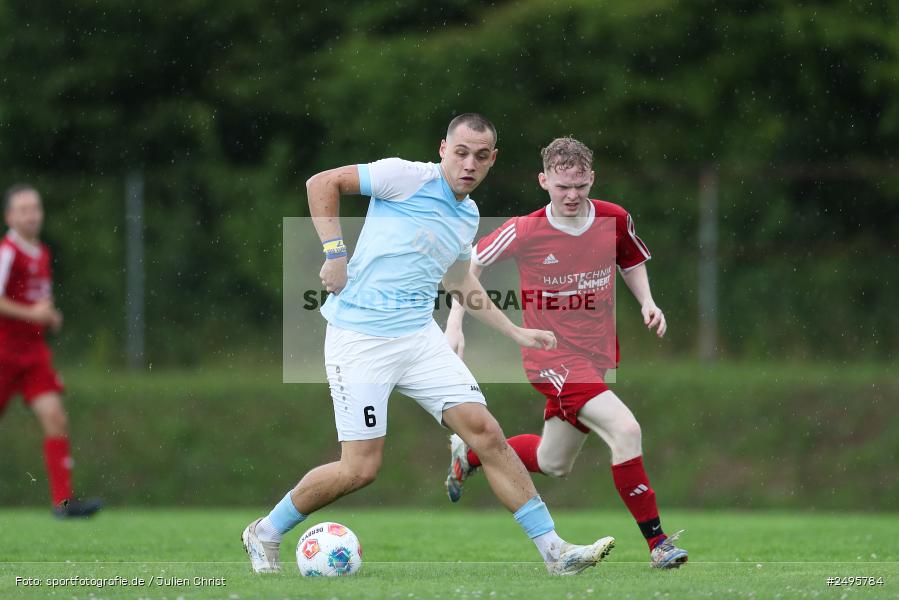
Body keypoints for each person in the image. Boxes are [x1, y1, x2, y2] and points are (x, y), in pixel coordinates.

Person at [242, 115, 615, 575]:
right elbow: (323, 182)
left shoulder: (468, 215)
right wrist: (335, 254)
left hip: (419, 339)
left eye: (481, 156)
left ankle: (555, 553)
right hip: (360, 340)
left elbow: (459, 281)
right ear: (443, 149)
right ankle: (265, 531)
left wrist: (515, 332)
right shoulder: (405, 177)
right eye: (460, 152)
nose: (469, 164)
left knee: (487, 434)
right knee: (359, 469)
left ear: (492, 160)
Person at [443, 137, 688, 569]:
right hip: (550, 356)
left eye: (579, 185)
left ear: (591, 178)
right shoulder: (524, 229)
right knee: (626, 430)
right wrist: (455, 324)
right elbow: (469, 267)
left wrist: (648, 302)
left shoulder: (614, 219)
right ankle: (659, 545)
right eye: (561, 187)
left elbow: (630, 260)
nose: (571, 195)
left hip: (595, 357)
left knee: (552, 461)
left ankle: (471, 453)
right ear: (544, 181)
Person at [0, 184, 103, 518]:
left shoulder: (41, 252)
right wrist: (33, 314)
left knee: (56, 418)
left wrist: (50, 316)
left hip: (33, 355)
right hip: (3, 353)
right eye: (24, 209)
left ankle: (63, 503)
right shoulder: (7, 251)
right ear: (9, 216)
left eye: (36, 208)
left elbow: (36, 301)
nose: (32, 215)